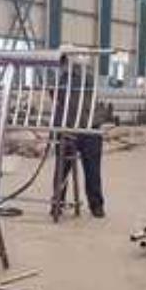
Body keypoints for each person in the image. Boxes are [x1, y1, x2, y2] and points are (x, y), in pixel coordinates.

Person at [52, 59, 107, 219]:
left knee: (91, 169)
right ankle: (58, 202)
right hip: (68, 127)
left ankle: (95, 204)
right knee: (63, 169)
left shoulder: (82, 77)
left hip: (88, 127)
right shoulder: (62, 78)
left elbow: (59, 96)